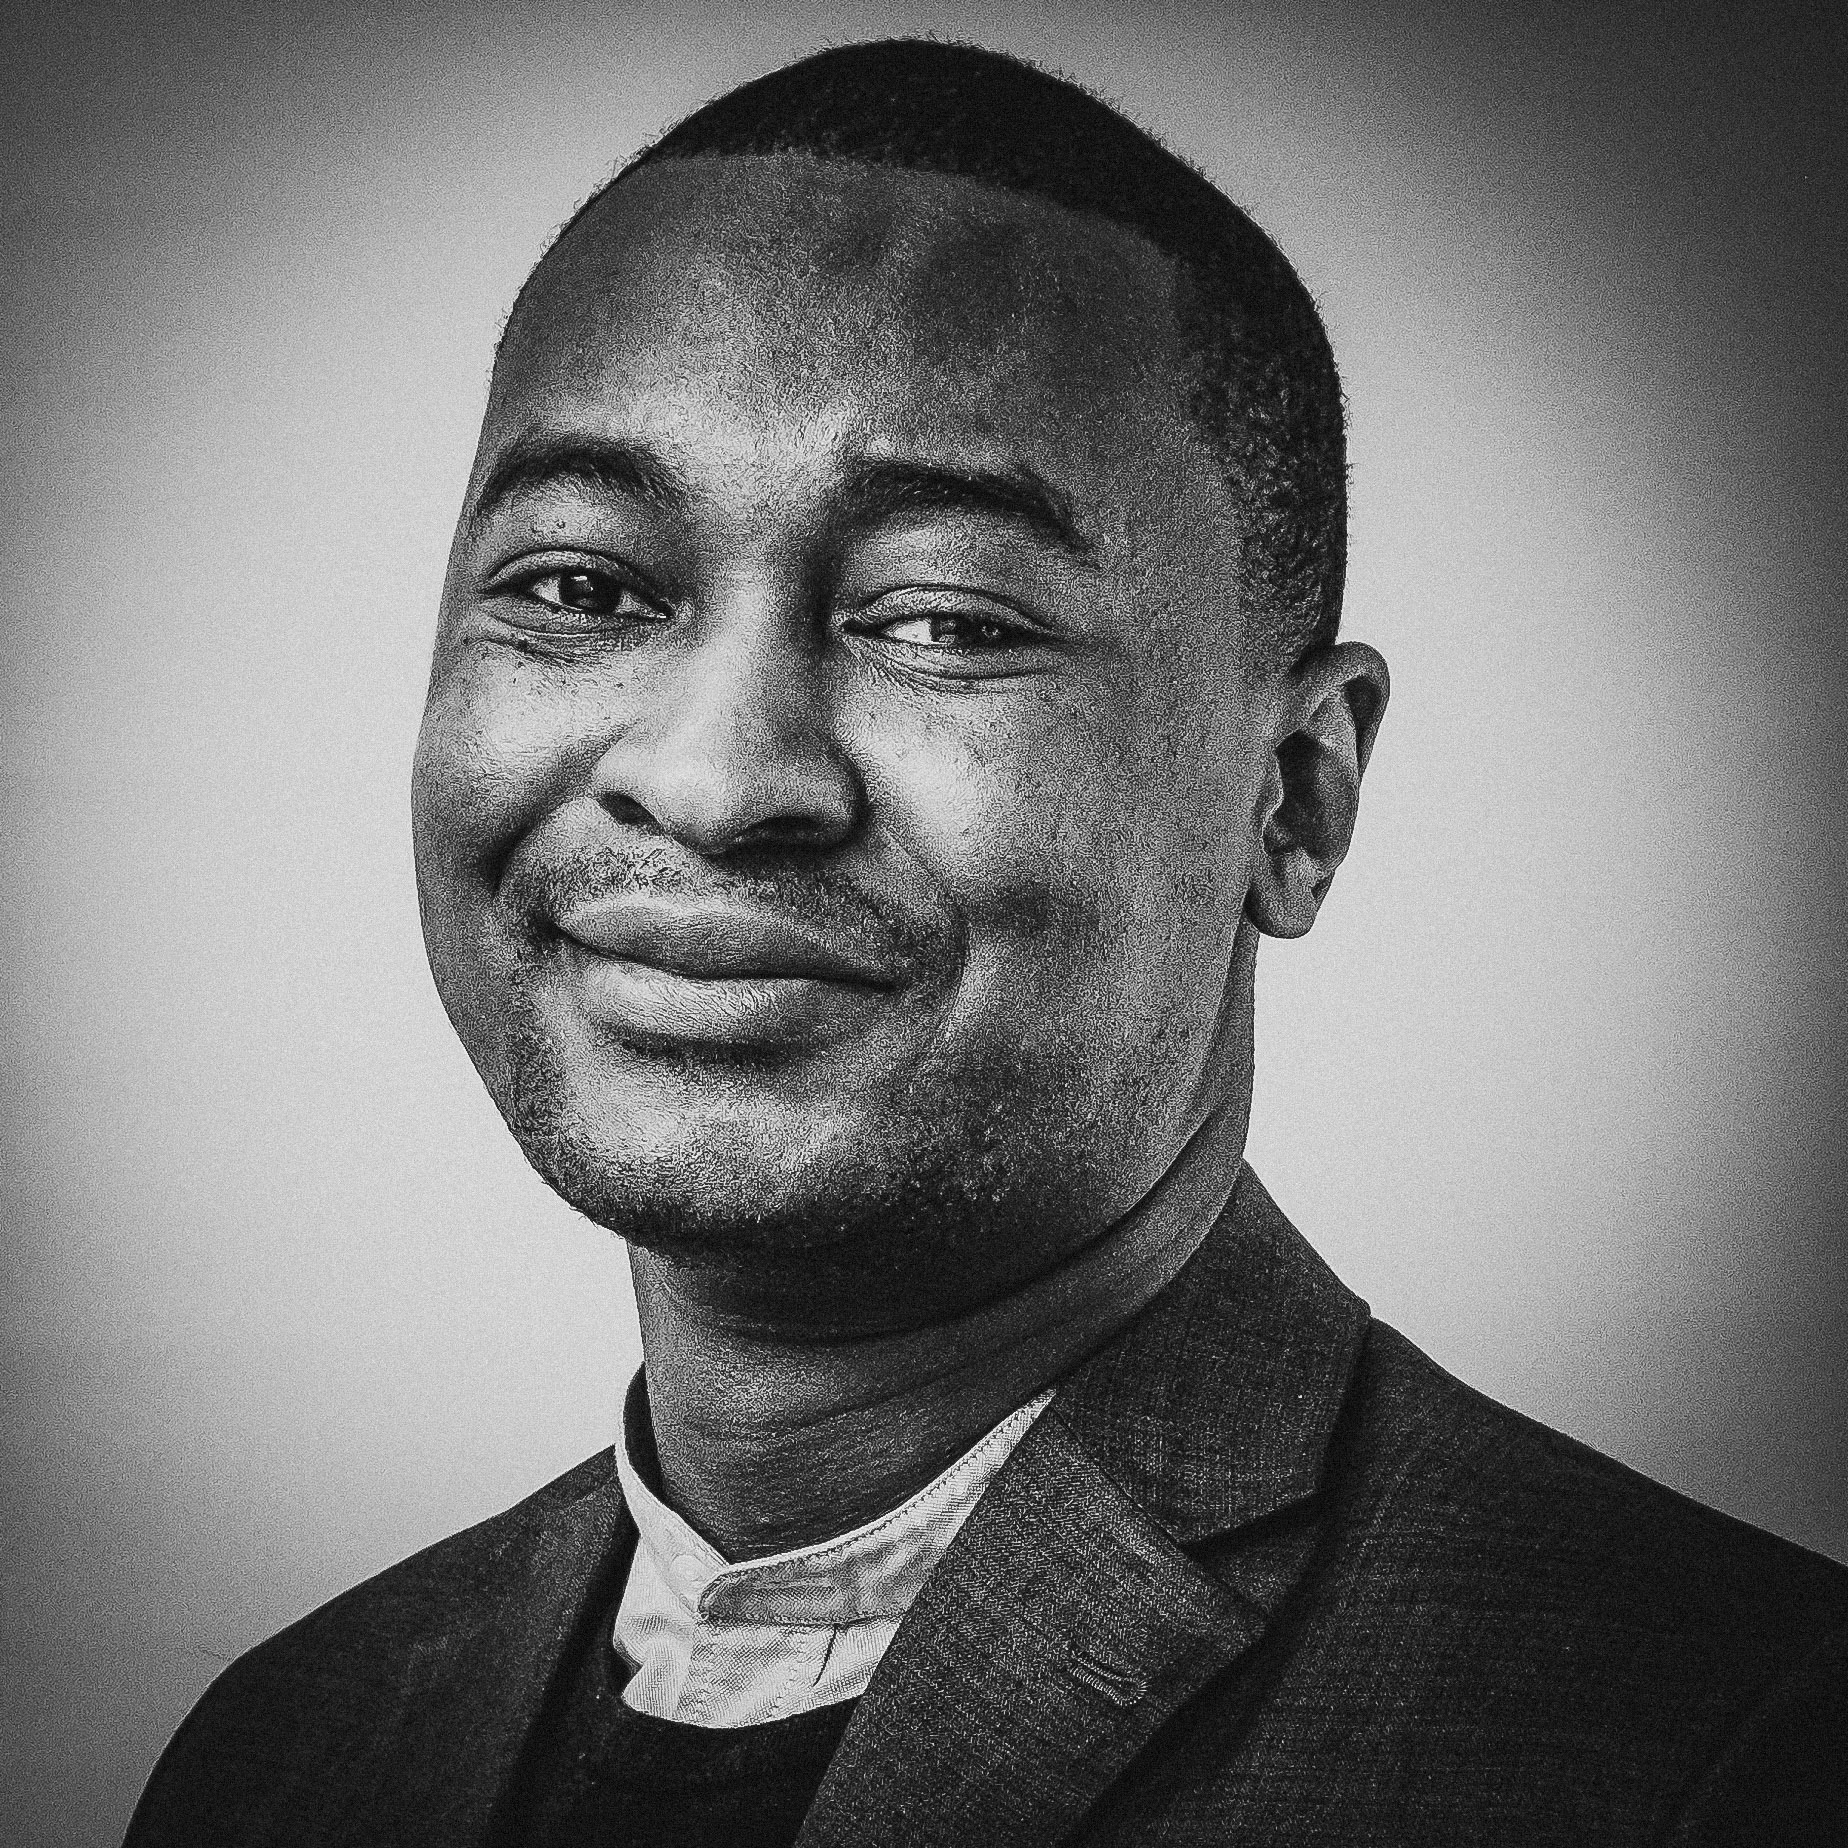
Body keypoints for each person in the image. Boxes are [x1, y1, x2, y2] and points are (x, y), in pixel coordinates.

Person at [125, 37, 1847, 1848]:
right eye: (582, 588)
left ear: (1293, 801)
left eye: (942, 621)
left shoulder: (1722, 1748)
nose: (713, 779)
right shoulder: (290, 1753)